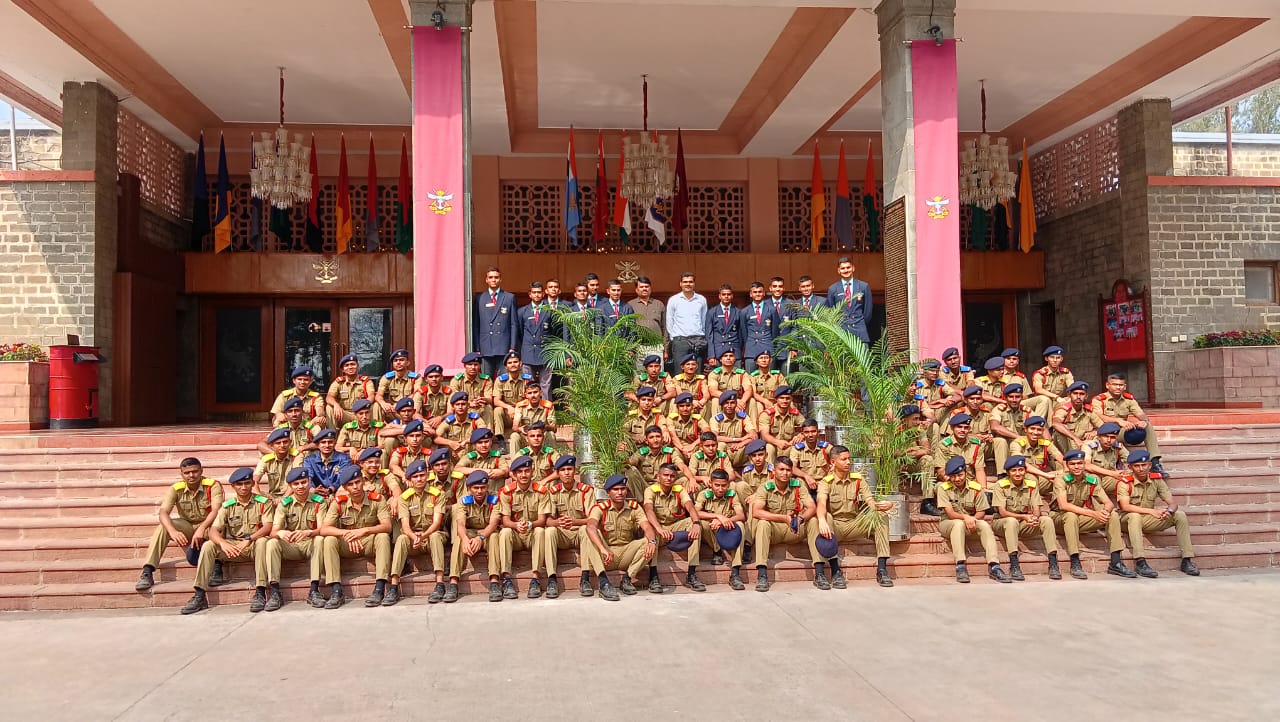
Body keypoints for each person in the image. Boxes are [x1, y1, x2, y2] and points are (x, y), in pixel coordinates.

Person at [180, 468, 275, 615]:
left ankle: (260, 592)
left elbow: (268, 527)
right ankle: (199, 594)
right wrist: (223, 543)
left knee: (263, 542)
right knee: (209, 545)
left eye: (247, 483)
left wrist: (249, 539)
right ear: (233, 487)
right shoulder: (227, 506)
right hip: (234, 546)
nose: (244, 487)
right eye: (239, 484)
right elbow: (213, 530)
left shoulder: (263, 503)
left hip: (253, 545)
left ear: (252, 484)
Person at [135, 457, 223, 592]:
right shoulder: (176, 488)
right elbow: (163, 512)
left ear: (201, 471)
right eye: (187, 473)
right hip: (187, 526)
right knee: (163, 527)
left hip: (208, 525)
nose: (191, 475)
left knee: (221, 526)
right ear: (181, 474)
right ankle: (147, 570)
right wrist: (172, 531)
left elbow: (216, 510)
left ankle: (217, 566)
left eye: (195, 471)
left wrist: (202, 528)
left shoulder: (212, 485)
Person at [813, 446, 895, 588]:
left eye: (849, 459)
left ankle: (882, 569)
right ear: (833, 462)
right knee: (824, 517)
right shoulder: (826, 482)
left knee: (881, 516)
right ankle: (835, 571)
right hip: (835, 527)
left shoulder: (857, 479)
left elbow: (870, 501)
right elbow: (821, 503)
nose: (848, 462)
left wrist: (885, 505)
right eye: (843, 459)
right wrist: (821, 520)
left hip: (854, 524)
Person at [1050, 449, 1135, 580]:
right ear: (1067, 465)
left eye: (1080, 463)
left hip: (1080, 519)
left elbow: (1108, 502)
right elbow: (1064, 506)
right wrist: (1093, 513)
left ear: (1084, 464)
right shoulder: (1061, 479)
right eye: (1073, 464)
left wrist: (1104, 512)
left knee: (1112, 515)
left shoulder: (1092, 479)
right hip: (1059, 519)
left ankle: (1116, 562)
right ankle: (1075, 561)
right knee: (1071, 515)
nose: (1077, 467)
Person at [318, 465, 394, 608]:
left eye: (357, 482)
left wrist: (364, 531)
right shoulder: (339, 503)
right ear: (345, 487)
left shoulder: (377, 499)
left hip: (368, 541)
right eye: (350, 484)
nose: (355, 487)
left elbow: (387, 526)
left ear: (363, 481)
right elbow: (324, 529)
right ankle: (336, 590)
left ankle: (379, 588)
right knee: (329, 540)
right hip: (348, 543)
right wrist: (347, 533)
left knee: (383, 537)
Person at [1116, 450, 1199, 577]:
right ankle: (1140, 561)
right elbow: (1125, 506)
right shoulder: (1125, 482)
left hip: (1147, 520)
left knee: (1180, 515)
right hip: (1126, 520)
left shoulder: (1157, 480)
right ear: (1130, 467)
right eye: (1137, 466)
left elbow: (1172, 503)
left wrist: (1169, 512)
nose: (1141, 469)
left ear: (1150, 465)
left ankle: (1187, 560)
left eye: (1144, 465)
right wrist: (1152, 511)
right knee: (1134, 516)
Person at [581, 474, 658, 601]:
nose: (620, 492)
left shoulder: (634, 507)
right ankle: (604, 582)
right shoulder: (600, 508)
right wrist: (603, 549)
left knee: (651, 540)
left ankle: (627, 579)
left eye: (623, 489)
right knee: (587, 531)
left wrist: (652, 541)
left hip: (626, 553)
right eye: (615, 489)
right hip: (606, 556)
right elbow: (590, 527)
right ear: (608, 492)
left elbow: (647, 527)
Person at [936, 456, 1011, 584]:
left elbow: (981, 512)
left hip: (970, 521)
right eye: (953, 476)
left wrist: (972, 519)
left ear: (965, 473)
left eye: (960, 475)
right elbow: (950, 513)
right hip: (948, 523)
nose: (957, 479)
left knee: (984, 525)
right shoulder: (943, 488)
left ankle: (994, 566)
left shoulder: (976, 488)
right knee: (958, 524)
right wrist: (966, 518)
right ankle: (960, 565)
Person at [750, 457, 820, 592]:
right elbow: (756, 512)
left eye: (788, 470)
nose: (785, 473)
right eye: (781, 469)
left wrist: (801, 518)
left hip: (794, 530)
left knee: (813, 521)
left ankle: (819, 571)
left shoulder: (798, 485)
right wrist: (783, 518)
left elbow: (812, 507)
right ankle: (762, 574)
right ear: (774, 471)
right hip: (774, 530)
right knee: (763, 524)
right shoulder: (765, 487)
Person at [266, 467, 329, 608]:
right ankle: (275, 592)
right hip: (291, 545)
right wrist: (280, 533)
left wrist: (309, 532)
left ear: (309, 481)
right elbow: (273, 532)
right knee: (272, 543)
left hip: (310, 543)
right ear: (290, 486)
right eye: (296, 484)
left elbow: (322, 529)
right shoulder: (284, 504)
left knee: (320, 539)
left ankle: (314, 590)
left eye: (303, 482)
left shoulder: (319, 502)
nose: (300, 486)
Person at [389, 460, 450, 604]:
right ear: (410, 479)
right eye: (415, 477)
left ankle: (440, 584)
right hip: (414, 538)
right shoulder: (404, 498)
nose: (419, 479)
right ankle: (393, 586)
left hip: (432, 535)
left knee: (435, 536)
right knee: (401, 539)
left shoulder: (438, 494)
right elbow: (405, 525)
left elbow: (436, 523)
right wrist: (413, 536)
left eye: (422, 475)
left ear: (427, 475)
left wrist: (424, 535)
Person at [992, 457, 1062, 581]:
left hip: (1023, 524)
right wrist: (1024, 516)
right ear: (1008, 472)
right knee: (1011, 521)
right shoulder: (1000, 485)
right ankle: (1014, 564)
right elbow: (1003, 512)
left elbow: (1036, 509)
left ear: (1025, 471)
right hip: (1002, 523)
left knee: (1046, 520)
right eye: (1014, 470)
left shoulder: (1031, 485)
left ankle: (1053, 562)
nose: (1018, 473)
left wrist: (1034, 518)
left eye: (1021, 470)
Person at [642, 463, 705, 592]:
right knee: (651, 530)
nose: (668, 478)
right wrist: (659, 529)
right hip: (658, 528)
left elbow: (690, 507)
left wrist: (696, 524)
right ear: (658, 477)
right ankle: (653, 576)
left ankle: (691, 573)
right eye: (665, 475)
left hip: (674, 526)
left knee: (693, 524)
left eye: (672, 476)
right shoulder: (650, 490)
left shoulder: (679, 489)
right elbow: (648, 511)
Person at [497, 456, 550, 599]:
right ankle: (507, 579)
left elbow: (542, 520)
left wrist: (530, 524)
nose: (524, 475)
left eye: (527, 471)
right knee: (505, 532)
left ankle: (535, 578)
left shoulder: (541, 491)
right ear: (514, 475)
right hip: (516, 535)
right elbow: (505, 520)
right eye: (519, 472)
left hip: (532, 533)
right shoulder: (506, 492)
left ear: (532, 472)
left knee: (540, 531)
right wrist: (516, 525)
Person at [447, 470, 504, 603]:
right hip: (471, 532)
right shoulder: (463, 501)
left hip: (487, 533)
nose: (479, 491)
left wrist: (481, 538)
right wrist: (465, 539)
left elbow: (493, 524)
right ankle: (453, 582)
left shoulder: (494, 499)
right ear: (469, 489)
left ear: (487, 487)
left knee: (494, 537)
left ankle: (494, 581)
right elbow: (461, 524)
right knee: (459, 539)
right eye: (476, 488)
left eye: (482, 487)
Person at [543, 455, 595, 598]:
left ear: (575, 471)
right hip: (563, 534)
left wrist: (574, 522)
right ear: (558, 473)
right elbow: (548, 521)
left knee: (586, 529)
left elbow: (592, 520)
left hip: (579, 532)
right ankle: (551, 578)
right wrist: (559, 522)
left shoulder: (586, 490)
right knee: (549, 531)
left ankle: (585, 578)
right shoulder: (553, 492)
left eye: (569, 469)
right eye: (563, 470)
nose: (566, 473)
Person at [1092, 374, 1164, 473]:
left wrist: (1143, 421)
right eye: (1115, 384)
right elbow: (1098, 416)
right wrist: (1117, 420)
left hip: (1121, 432)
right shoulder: (1099, 400)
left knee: (1147, 426)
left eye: (1121, 385)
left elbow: (1140, 413)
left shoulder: (1128, 399)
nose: (1118, 387)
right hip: (1105, 434)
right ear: (1107, 385)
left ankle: (1155, 462)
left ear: (1125, 386)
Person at [694, 470, 748, 590]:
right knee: (701, 523)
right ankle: (717, 551)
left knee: (740, 525)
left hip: (726, 529)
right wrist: (718, 517)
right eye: (716, 485)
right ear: (710, 483)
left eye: (724, 485)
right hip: (712, 529)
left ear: (728, 485)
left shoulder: (732, 494)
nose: (720, 489)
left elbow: (741, 515)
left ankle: (735, 572)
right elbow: (695, 512)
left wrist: (725, 521)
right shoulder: (704, 494)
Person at [473, 266, 519, 377]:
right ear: (486, 280)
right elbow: (476, 325)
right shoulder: (479, 298)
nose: (493, 280)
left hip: (504, 346)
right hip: (485, 347)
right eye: (491, 277)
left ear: (500, 279)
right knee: (486, 380)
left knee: (503, 380)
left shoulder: (509, 297)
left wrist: (512, 346)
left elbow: (514, 324)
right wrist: (477, 347)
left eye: (496, 277)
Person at [625, 425, 687, 500]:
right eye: (651, 437)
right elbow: (629, 463)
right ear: (646, 441)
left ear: (662, 439)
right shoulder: (641, 453)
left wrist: (692, 479)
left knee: (685, 480)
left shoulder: (670, 452)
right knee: (630, 471)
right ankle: (641, 502)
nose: (655, 440)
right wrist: (624, 452)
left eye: (658, 436)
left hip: (665, 487)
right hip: (646, 487)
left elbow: (681, 465)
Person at [666, 272, 708, 376]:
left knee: (697, 372)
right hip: (680, 341)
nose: (688, 284)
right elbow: (669, 321)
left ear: (694, 283)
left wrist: (702, 336)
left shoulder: (701, 299)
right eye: (685, 282)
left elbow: (704, 320)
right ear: (680, 283)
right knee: (679, 373)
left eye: (690, 282)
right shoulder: (674, 300)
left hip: (698, 340)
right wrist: (674, 338)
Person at [824, 257, 873, 344]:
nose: (846, 270)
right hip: (841, 334)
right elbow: (831, 312)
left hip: (860, 333)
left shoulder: (863, 286)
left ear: (853, 268)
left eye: (848, 267)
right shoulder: (832, 289)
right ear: (838, 270)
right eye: (843, 268)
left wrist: (859, 323)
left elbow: (867, 313)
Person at [518, 281, 554, 398]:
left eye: (539, 292)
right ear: (530, 294)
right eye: (534, 292)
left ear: (543, 294)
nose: (537, 295)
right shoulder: (522, 311)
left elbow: (553, 333)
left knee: (546, 385)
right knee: (528, 385)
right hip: (528, 353)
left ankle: (546, 408)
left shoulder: (550, 311)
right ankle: (529, 408)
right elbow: (520, 333)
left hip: (545, 353)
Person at [1008, 416, 1064, 489]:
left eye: (1039, 430)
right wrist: (1046, 475)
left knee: (1066, 475)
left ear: (1043, 431)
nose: (1035, 432)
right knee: (1032, 478)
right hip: (1023, 479)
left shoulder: (1045, 443)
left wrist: (1066, 469)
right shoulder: (1017, 443)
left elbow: (1061, 458)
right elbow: (1019, 464)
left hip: (1041, 477)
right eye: (1032, 429)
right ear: (1025, 429)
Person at [707, 390, 757, 468]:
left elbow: (754, 435)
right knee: (720, 445)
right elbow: (715, 438)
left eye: (732, 403)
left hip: (739, 450)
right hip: (726, 451)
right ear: (722, 405)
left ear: (736, 404)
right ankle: (721, 469)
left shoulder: (743, 417)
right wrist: (739, 439)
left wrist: (741, 443)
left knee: (754, 445)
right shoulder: (715, 419)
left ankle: (751, 471)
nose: (729, 406)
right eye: (726, 403)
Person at [740, 281, 781, 373]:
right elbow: (744, 333)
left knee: (769, 378)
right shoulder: (744, 311)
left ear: (764, 293)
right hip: (751, 349)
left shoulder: (772, 310)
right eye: (755, 292)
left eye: (760, 292)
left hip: (767, 348)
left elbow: (775, 331)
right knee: (751, 378)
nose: (757, 294)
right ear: (751, 294)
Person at [989, 383, 1031, 471]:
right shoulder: (999, 410)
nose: (1014, 400)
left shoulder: (1026, 411)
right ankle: (1002, 474)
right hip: (1004, 446)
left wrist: (1048, 442)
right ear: (1005, 397)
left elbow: (1040, 424)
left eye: (1017, 397)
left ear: (1022, 397)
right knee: (1000, 441)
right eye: (1011, 397)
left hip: (1021, 444)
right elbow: (995, 427)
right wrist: (1018, 437)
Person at [490, 352, 530, 443]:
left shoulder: (527, 380)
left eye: (515, 362)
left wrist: (518, 409)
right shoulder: (500, 380)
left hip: (523, 414)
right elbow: (496, 401)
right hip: (508, 414)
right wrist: (508, 407)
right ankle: (500, 439)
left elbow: (532, 399)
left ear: (520, 363)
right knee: (497, 410)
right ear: (506, 366)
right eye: (510, 363)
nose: (513, 364)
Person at [1052, 381, 1102, 454]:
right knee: (1058, 432)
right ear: (1069, 395)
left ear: (1086, 396)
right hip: (1067, 445)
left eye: (1082, 394)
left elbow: (1103, 426)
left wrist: (1095, 432)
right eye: (1075, 393)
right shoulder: (1064, 410)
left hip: (1082, 444)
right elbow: (1056, 423)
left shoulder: (1088, 411)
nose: (1078, 397)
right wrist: (1075, 438)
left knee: (1102, 436)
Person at [629, 276, 667, 371]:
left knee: (657, 374)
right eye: (641, 287)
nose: (644, 289)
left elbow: (664, 328)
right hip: (639, 347)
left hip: (656, 347)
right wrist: (631, 348)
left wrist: (666, 349)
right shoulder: (630, 305)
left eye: (647, 286)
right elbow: (628, 328)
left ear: (650, 288)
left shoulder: (659, 304)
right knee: (640, 375)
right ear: (636, 290)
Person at [326, 353, 376, 425]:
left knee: (376, 405)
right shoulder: (338, 382)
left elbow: (371, 396)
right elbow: (329, 397)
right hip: (345, 415)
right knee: (329, 407)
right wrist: (336, 405)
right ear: (343, 369)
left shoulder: (366, 381)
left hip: (362, 414)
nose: (350, 367)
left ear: (357, 366)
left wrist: (364, 406)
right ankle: (332, 432)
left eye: (353, 364)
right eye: (346, 365)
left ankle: (376, 430)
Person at [757, 386, 803, 462]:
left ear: (791, 399)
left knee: (800, 446)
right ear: (776, 399)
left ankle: (795, 469)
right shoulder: (767, 414)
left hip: (789, 446)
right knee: (769, 448)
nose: (785, 401)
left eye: (787, 398)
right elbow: (764, 435)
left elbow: (807, 426)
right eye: (782, 398)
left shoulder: (794, 413)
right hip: (774, 446)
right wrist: (777, 442)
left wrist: (801, 435)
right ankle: (770, 469)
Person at [254, 427, 302, 499]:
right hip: (273, 496)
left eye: (285, 442)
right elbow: (254, 481)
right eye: (278, 443)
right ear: (271, 446)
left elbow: (297, 479)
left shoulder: (296, 456)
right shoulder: (266, 459)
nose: (282, 445)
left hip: (292, 495)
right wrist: (259, 497)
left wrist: (283, 499)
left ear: (290, 442)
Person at [434, 392, 487, 456]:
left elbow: (483, 433)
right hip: (453, 457)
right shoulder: (449, 422)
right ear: (453, 406)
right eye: (457, 404)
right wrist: (449, 442)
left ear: (468, 405)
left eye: (463, 404)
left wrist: (466, 441)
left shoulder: (475, 419)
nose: (460, 407)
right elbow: (436, 438)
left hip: (471, 456)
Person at [1084, 422, 1129, 495]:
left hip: (1108, 479)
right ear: (1099, 437)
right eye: (1105, 436)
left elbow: (1132, 460)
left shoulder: (1118, 447)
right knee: (1094, 480)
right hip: (1089, 479)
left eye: (1112, 437)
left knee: (1128, 481)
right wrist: (1112, 473)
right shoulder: (1089, 446)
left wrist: (1127, 472)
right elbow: (1087, 465)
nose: (1109, 440)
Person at [1029, 345, 1073, 420]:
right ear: (1046, 359)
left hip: (1056, 402)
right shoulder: (1040, 374)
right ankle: (1038, 423)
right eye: (1052, 357)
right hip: (1041, 403)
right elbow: (1038, 390)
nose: (1055, 360)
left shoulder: (1066, 373)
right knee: (1045, 399)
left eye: (1058, 358)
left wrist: (1069, 398)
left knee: (1073, 401)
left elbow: (1072, 388)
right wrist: (1057, 397)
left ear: (1061, 359)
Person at [453, 352, 494, 428]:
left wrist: (483, 399)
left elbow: (490, 399)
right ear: (465, 366)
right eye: (470, 364)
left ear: (480, 366)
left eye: (476, 364)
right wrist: (469, 403)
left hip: (480, 407)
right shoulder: (457, 380)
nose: (473, 367)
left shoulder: (486, 380)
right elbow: (453, 400)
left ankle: (488, 433)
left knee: (488, 408)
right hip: (464, 408)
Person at [705, 284, 743, 367]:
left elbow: (741, 334)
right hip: (718, 351)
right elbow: (709, 335)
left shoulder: (738, 312)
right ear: (719, 296)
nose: (726, 296)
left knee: (736, 374)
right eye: (723, 294)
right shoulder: (712, 312)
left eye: (728, 294)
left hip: (734, 351)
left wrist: (740, 350)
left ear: (732, 296)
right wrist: (711, 355)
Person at [302, 429, 350, 493]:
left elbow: (342, 478)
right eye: (323, 442)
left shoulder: (344, 458)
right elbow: (308, 477)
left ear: (334, 443)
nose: (327, 445)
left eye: (330, 442)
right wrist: (312, 489)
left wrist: (331, 489)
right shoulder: (309, 460)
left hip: (337, 492)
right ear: (317, 445)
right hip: (316, 492)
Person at [790, 419, 832, 493]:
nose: (810, 435)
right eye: (806, 432)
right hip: (805, 482)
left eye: (813, 431)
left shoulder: (825, 447)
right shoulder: (797, 449)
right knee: (799, 482)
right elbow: (792, 468)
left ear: (818, 432)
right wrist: (806, 476)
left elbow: (839, 456)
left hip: (823, 481)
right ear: (802, 434)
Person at [375, 349, 418, 419]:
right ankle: (376, 426)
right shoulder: (387, 378)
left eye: (401, 360)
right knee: (376, 405)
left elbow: (416, 394)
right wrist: (383, 403)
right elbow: (378, 395)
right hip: (393, 410)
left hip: (408, 411)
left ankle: (416, 424)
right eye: (395, 361)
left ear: (407, 363)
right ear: (393, 364)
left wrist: (400, 404)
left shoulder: (415, 378)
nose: (398, 362)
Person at [706, 349, 749, 418]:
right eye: (725, 356)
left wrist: (742, 401)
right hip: (723, 401)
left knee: (752, 401)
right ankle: (716, 423)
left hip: (739, 401)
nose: (728, 358)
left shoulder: (742, 373)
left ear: (734, 359)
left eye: (731, 356)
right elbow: (713, 391)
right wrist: (734, 400)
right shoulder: (714, 374)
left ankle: (751, 424)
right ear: (720, 359)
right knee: (715, 400)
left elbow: (748, 390)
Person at [746, 352, 786, 420]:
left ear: (770, 360)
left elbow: (784, 391)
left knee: (788, 403)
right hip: (760, 402)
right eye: (761, 358)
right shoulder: (753, 377)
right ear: (756, 362)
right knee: (758, 406)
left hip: (775, 402)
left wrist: (776, 403)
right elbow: (754, 393)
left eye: (766, 358)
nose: (764, 360)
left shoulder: (778, 376)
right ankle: (758, 426)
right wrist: (765, 401)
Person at [413, 364, 452, 431]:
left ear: (442, 377)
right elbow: (415, 413)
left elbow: (451, 412)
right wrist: (426, 422)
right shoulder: (420, 393)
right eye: (431, 377)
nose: (434, 379)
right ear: (426, 379)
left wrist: (440, 418)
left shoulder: (449, 392)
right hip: (426, 423)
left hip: (444, 421)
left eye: (437, 376)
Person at [667, 391, 706, 457]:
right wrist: (683, 449)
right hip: (679, 448)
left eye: (688, 405)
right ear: (677, 407)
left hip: (693, 448)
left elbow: (707, 432)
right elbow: (673, 437)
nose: (685, 409)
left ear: (692, 406)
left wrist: (692, 445)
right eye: (681, 406)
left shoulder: (697, 419)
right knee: (675, 452)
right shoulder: (672, 419)